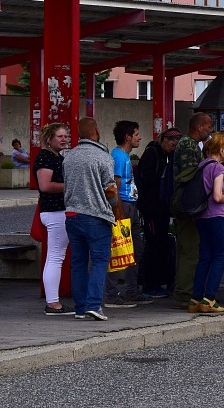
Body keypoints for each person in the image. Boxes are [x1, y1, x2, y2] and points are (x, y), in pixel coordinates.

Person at [63, 117, 117, 321]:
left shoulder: (69, 157)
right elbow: (110, 190)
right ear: (97, 131)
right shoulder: (103, 157)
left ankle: (80, 308)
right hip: (96, 216)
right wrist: (114, 206)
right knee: (100, 260)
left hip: (72, 215)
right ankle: (94, 305)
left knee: (78, 263)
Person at [191, 132, 224, 314]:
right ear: (221, 149)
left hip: (201, 216)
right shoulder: (218, 168)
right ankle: (209, 298)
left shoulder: (202, 165)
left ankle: (195, 298)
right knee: (220, 255)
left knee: (205, 256)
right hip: (217, 217)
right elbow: (218, 196)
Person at [105, 120, 150, 307]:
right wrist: (119, 212)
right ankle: (111, 294)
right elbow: (114, 187)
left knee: (134, 250)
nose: (139, 138)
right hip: (124, 207)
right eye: (136, 134)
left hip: (131, 206)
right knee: (118, 251)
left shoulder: (123, 156)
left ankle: (132, 290)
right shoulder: (119, 157)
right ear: (127, 137)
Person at [172, 112, 214, 309]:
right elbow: (189, 176)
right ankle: (184, 294)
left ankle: (182, 290)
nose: (210, 131)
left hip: (184, 204)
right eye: (208, 127)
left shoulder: (188, 144)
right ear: (199, 127)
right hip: (188, 206)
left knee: (185, 249)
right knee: (190, 250)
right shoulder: (189, 146)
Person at [136, 127, 182, 298]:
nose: (173, 146)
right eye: (171, 143)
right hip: (152, 207)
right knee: (153, 243)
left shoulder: (165, 155)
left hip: (161, 207)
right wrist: (163, 177)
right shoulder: (153, 153)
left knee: (160, 243)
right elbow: (147, 177)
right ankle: (150, 284)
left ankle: (158, 281)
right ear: (164, 140)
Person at [35, 123, 73, 315]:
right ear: (49, 139)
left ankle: (53, 301)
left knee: (56, 256)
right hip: (54, 212)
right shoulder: (45, 157)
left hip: (57, 211)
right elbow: (45, 185)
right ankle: (53, 303)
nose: (64, 139)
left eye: (66, 136)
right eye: (60, 136)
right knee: (56, 257)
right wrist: (71, 185)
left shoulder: (56, 157)